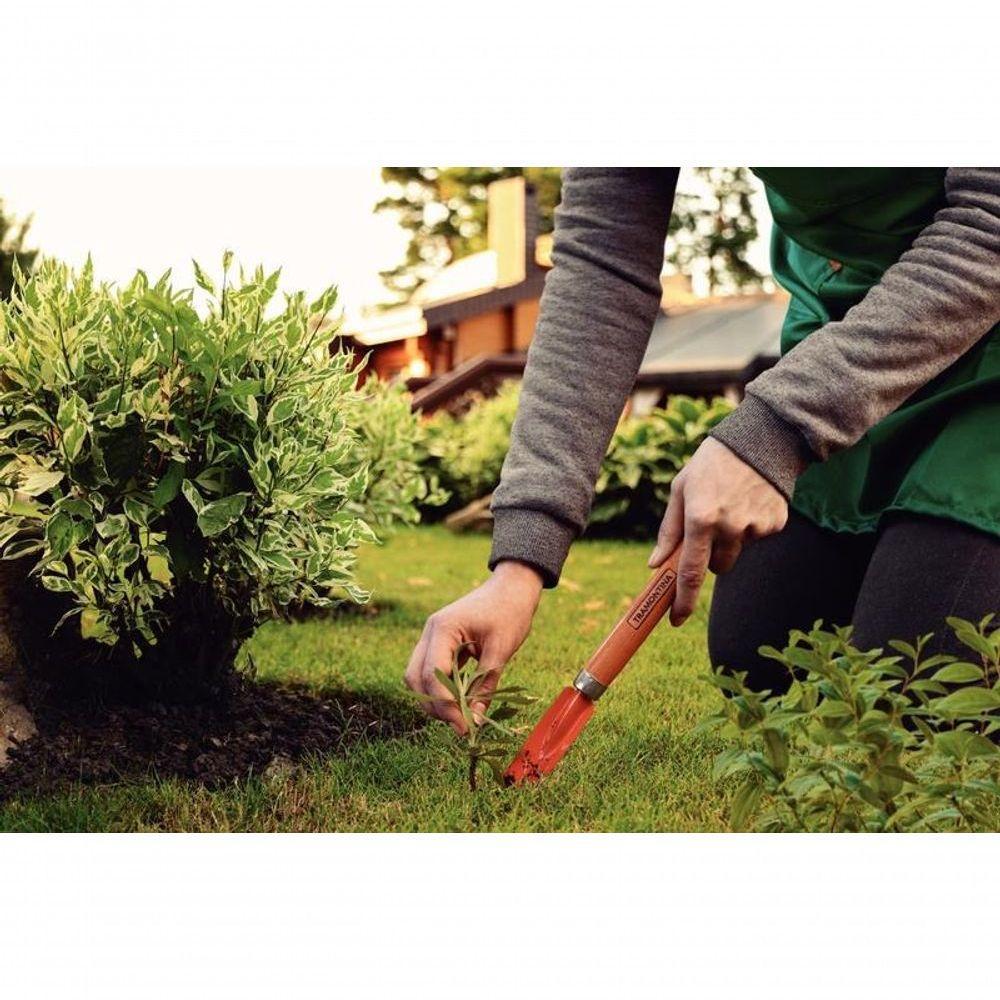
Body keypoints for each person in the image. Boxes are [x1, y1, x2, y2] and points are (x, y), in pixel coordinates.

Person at [405, 168, 1000, 732]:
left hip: (983, 320)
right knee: (759, 664)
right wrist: (518, 567)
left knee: (921, 691)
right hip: (848, 332)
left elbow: (989, 221)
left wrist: (775, 429)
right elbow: (602, 260)